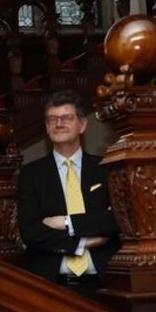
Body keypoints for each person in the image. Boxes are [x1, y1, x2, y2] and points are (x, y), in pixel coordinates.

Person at [17, 90, 120, 299]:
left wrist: (65, 222)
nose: (59, 124)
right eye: (52, 119)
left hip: (104, 285)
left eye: (66, 118)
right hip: (50, 287)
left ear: (82, 124)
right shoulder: (31, 174)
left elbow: (114, 220)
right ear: (46, 127)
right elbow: (31, 232)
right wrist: (82, 243)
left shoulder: (106, 168)